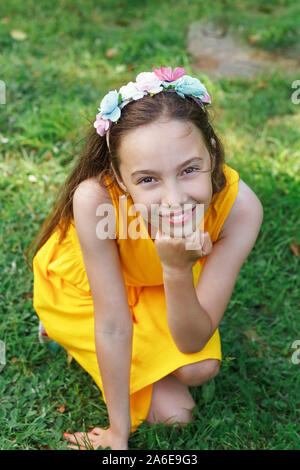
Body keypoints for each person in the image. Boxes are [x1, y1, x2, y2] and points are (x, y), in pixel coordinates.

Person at [26, 65, 263, 450]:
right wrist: (118, 434)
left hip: (154, 281)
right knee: (176, 415)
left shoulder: (240, 209)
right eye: (148, 179)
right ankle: (60, 329)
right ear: (119, 179)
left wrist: (175, 268)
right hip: (87, 294)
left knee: (200, 366)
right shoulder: (96, 201)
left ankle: (147, 359)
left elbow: (192, 340)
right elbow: (113, 325)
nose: (174, 200)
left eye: (189, 170)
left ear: (212, 153)